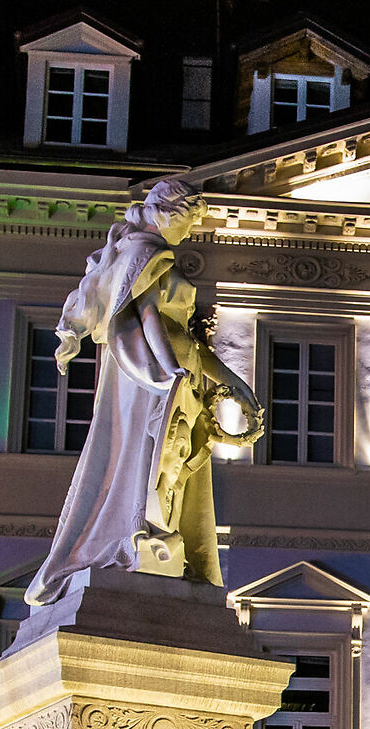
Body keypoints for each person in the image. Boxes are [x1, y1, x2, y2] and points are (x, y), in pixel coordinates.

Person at [25, 178, 261, 610]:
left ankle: (156, 534)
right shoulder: (144, 253)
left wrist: (235, 382)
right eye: (189, 221)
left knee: (171, 465)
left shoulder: (150, 255)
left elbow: (186, 338)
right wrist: (168, 371)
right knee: (150, 455)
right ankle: (138, 534)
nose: (189, 232)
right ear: (170, 212)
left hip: (175, 371)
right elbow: (148, 315)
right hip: (150, 373)